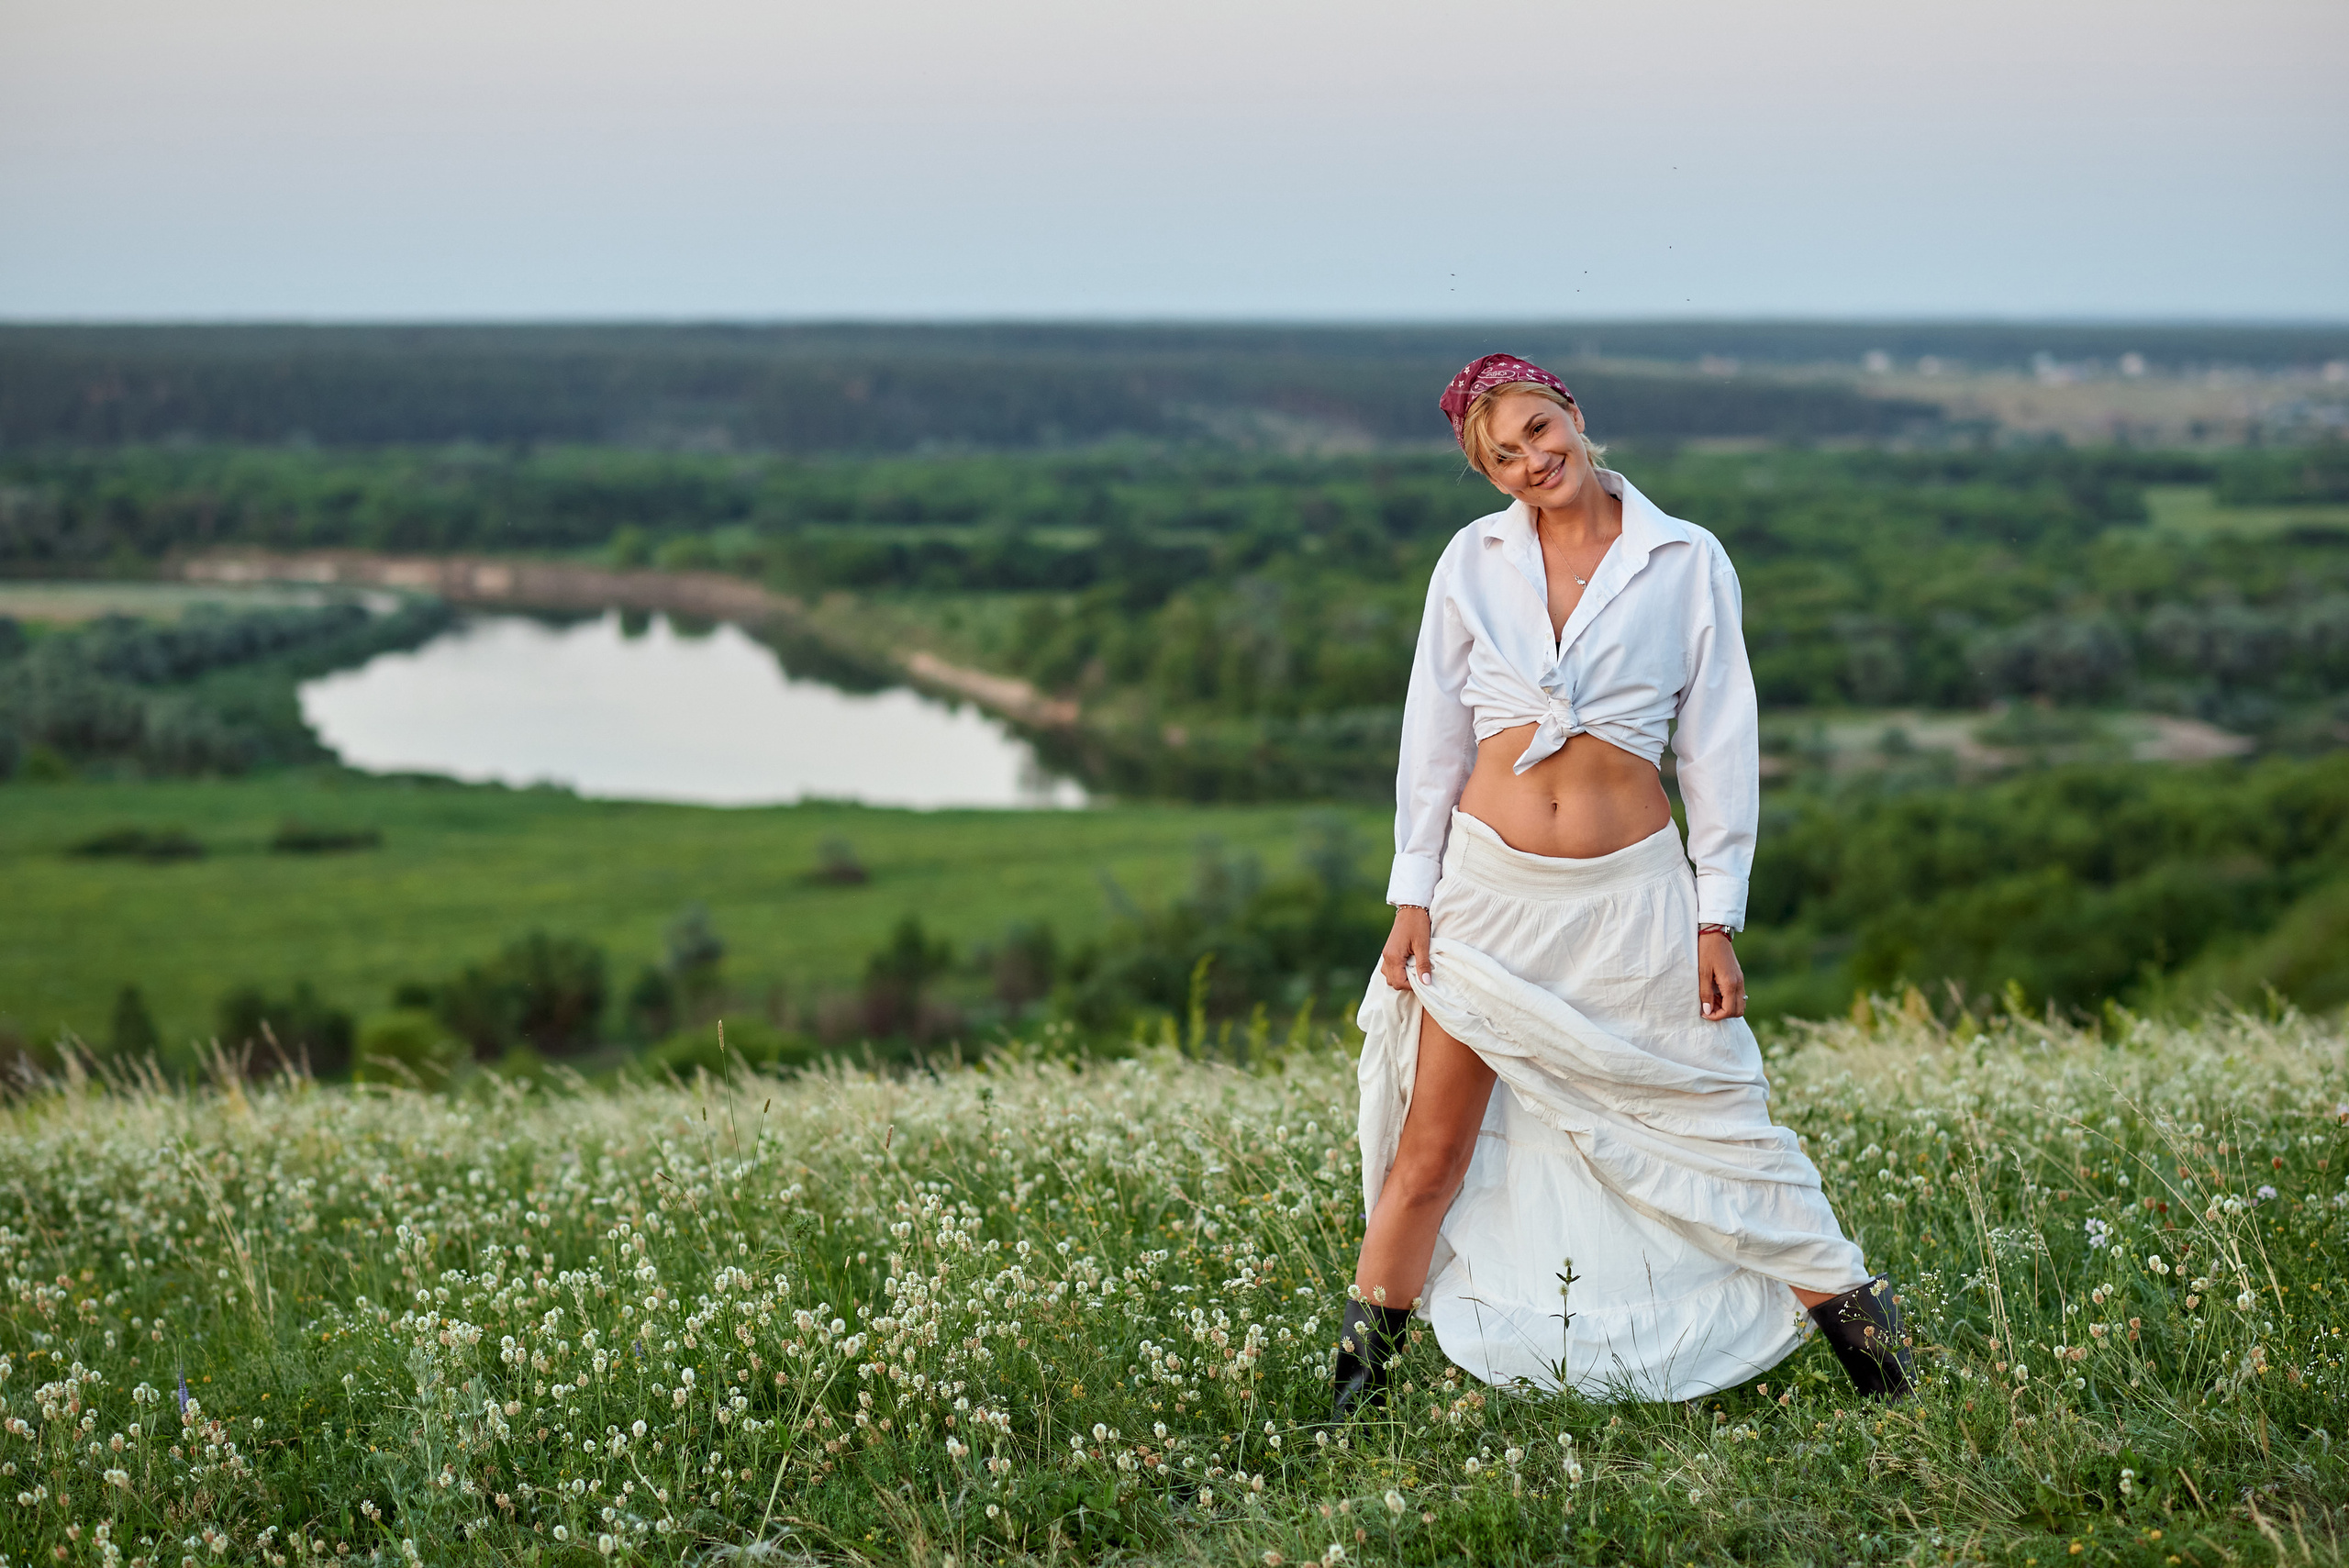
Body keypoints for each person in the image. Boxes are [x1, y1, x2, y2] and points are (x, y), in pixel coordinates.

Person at [1332, 353, 1911, 1417]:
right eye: (1500, 454)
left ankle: (1889, 1375)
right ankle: (1351, 1396)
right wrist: (1411, 896)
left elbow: (1718, 751)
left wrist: (1714, 917)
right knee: (1432, 1146)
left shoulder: (1685, 558)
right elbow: (1432, 738)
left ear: (1574, 415)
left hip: (1632, 901)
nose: (1529, 462)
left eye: (1540, 432)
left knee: (1727, 1131)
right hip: (1486, 898)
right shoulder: (1470, 562)